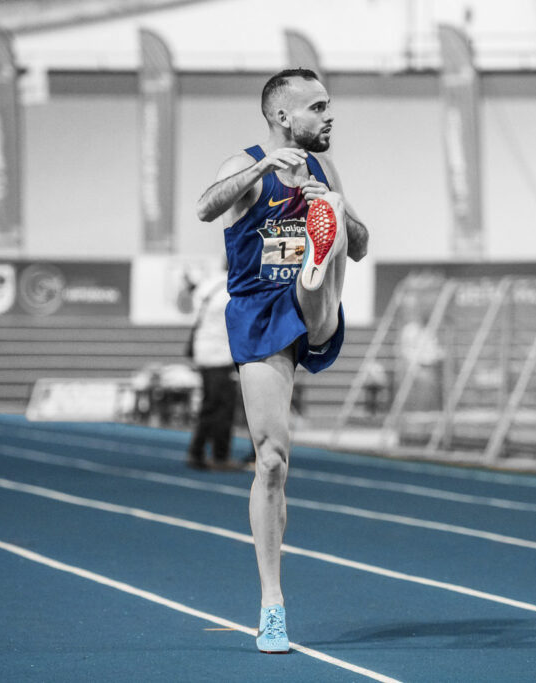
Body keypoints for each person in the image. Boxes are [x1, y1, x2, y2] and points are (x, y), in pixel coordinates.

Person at [196, 67, 369, 654]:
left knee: (333, 239)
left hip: (309, 299)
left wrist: (338, 213)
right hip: (259, 314)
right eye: (318, 108)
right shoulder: (244, 165)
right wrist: (262, 169)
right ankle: (273, 604)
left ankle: (319, 263)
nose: (329, 117)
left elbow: (367, 243)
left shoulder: (326, 169)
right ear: (283, 118)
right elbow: (205, 207)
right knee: (271, 461)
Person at [177, 264, 239, 471]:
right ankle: (219, 455)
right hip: (219, 353)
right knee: (222, 406)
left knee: (210, 404)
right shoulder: (231, 286)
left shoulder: (210, 283)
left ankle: (197, 451)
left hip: (204, 349)